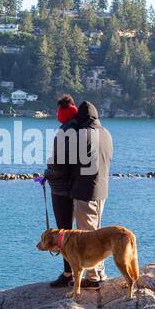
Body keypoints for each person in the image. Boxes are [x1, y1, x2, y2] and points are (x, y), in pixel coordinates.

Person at [71, 101, 113, 289]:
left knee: (89, 235)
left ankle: (94, 277)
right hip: (102, 190)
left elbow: (71, 163)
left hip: (86, 191)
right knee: (96, 232)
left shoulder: (82, 135)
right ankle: (100, 272)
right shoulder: (106, 133)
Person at [44, 94, 78, 288]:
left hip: (61, 189)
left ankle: (68, 273)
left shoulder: (66, 131)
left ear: (62, 111)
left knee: (63, 233)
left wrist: (47, 173)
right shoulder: (78, 127)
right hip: (75, 188)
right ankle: (75, 271)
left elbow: (61, 166)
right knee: (72, 231)